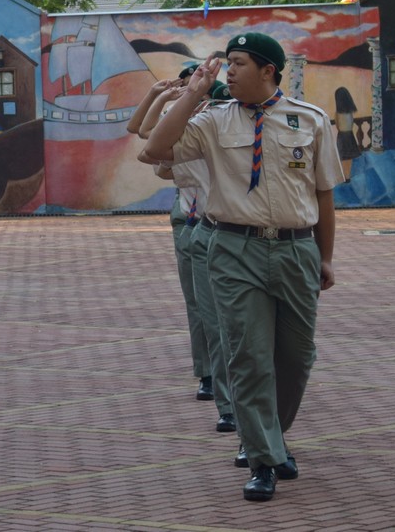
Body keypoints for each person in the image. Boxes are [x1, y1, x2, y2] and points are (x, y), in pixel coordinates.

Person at [145, 33, 341, 502]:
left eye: (238, 63)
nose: (228, 72)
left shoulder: (310, 120)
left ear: (268, 70)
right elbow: (154, 149)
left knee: (296, 359)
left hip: (296, 248)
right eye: (227, 63)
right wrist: (192, 93)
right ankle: (262, 459)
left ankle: (270, 435)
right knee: (248, 357)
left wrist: (325, 256)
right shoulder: (213, 119)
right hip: (234, 248)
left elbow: (323, 194)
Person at [132, 76, 214, 404]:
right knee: (199, 302)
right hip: (193, 219)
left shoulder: (218, 124)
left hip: (230, 224)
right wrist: (160, 95)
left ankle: (236, 372)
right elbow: (143, 135)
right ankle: (209, 373)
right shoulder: (185, 123)